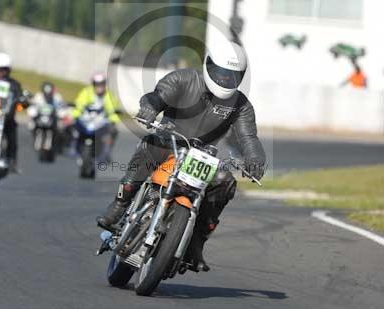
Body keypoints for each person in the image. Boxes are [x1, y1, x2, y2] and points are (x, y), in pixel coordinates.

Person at [97, 37, 266, 271]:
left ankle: (196, 243)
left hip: (203, 154)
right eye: (221, 73)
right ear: (208, 64)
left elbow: (248, 137)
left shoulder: (241, 105)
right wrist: (149, 108)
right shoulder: (183, 78)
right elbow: (157, 95)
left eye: (232, 76)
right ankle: (120, 203)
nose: (226, 79)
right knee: (150, 146)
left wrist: (255, 160)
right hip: (169, 140)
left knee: (225, 182)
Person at [0, 52, 29, 172]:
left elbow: (22, 99)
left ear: (8, 71)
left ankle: (11, 160)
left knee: (12, 132)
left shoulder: (14, 85)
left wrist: (23, 101)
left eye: (3, 70)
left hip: (6, 117)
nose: (0, 73)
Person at [72, 73, 119, 156]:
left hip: (101, 121)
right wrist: (76, 115)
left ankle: (106, 151)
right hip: (87, 119)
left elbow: (112, 109)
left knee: (113, 131)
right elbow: (79, 104)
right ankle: (73, 146)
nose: (99, 86)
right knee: (74, 127)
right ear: (93, 84)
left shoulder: (108, 95)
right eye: (97, 84)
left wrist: (113, 120)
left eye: (101, 84)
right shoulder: (87, 92)